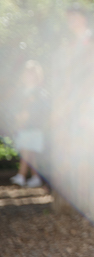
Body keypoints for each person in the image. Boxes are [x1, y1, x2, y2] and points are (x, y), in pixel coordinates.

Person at [10, 60, 50, 188]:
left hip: (34, 127)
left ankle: (21, 176)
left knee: (26, 150)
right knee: (30, 153)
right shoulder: (23, 91)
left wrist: (31, 111)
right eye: (26, 74)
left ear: (37, 76)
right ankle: (36, 177)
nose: (28, 77)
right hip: (24, 126)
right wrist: (18, 116)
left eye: (31, 74)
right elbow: (18, 106)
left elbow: (42, 108)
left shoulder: (39, 92)